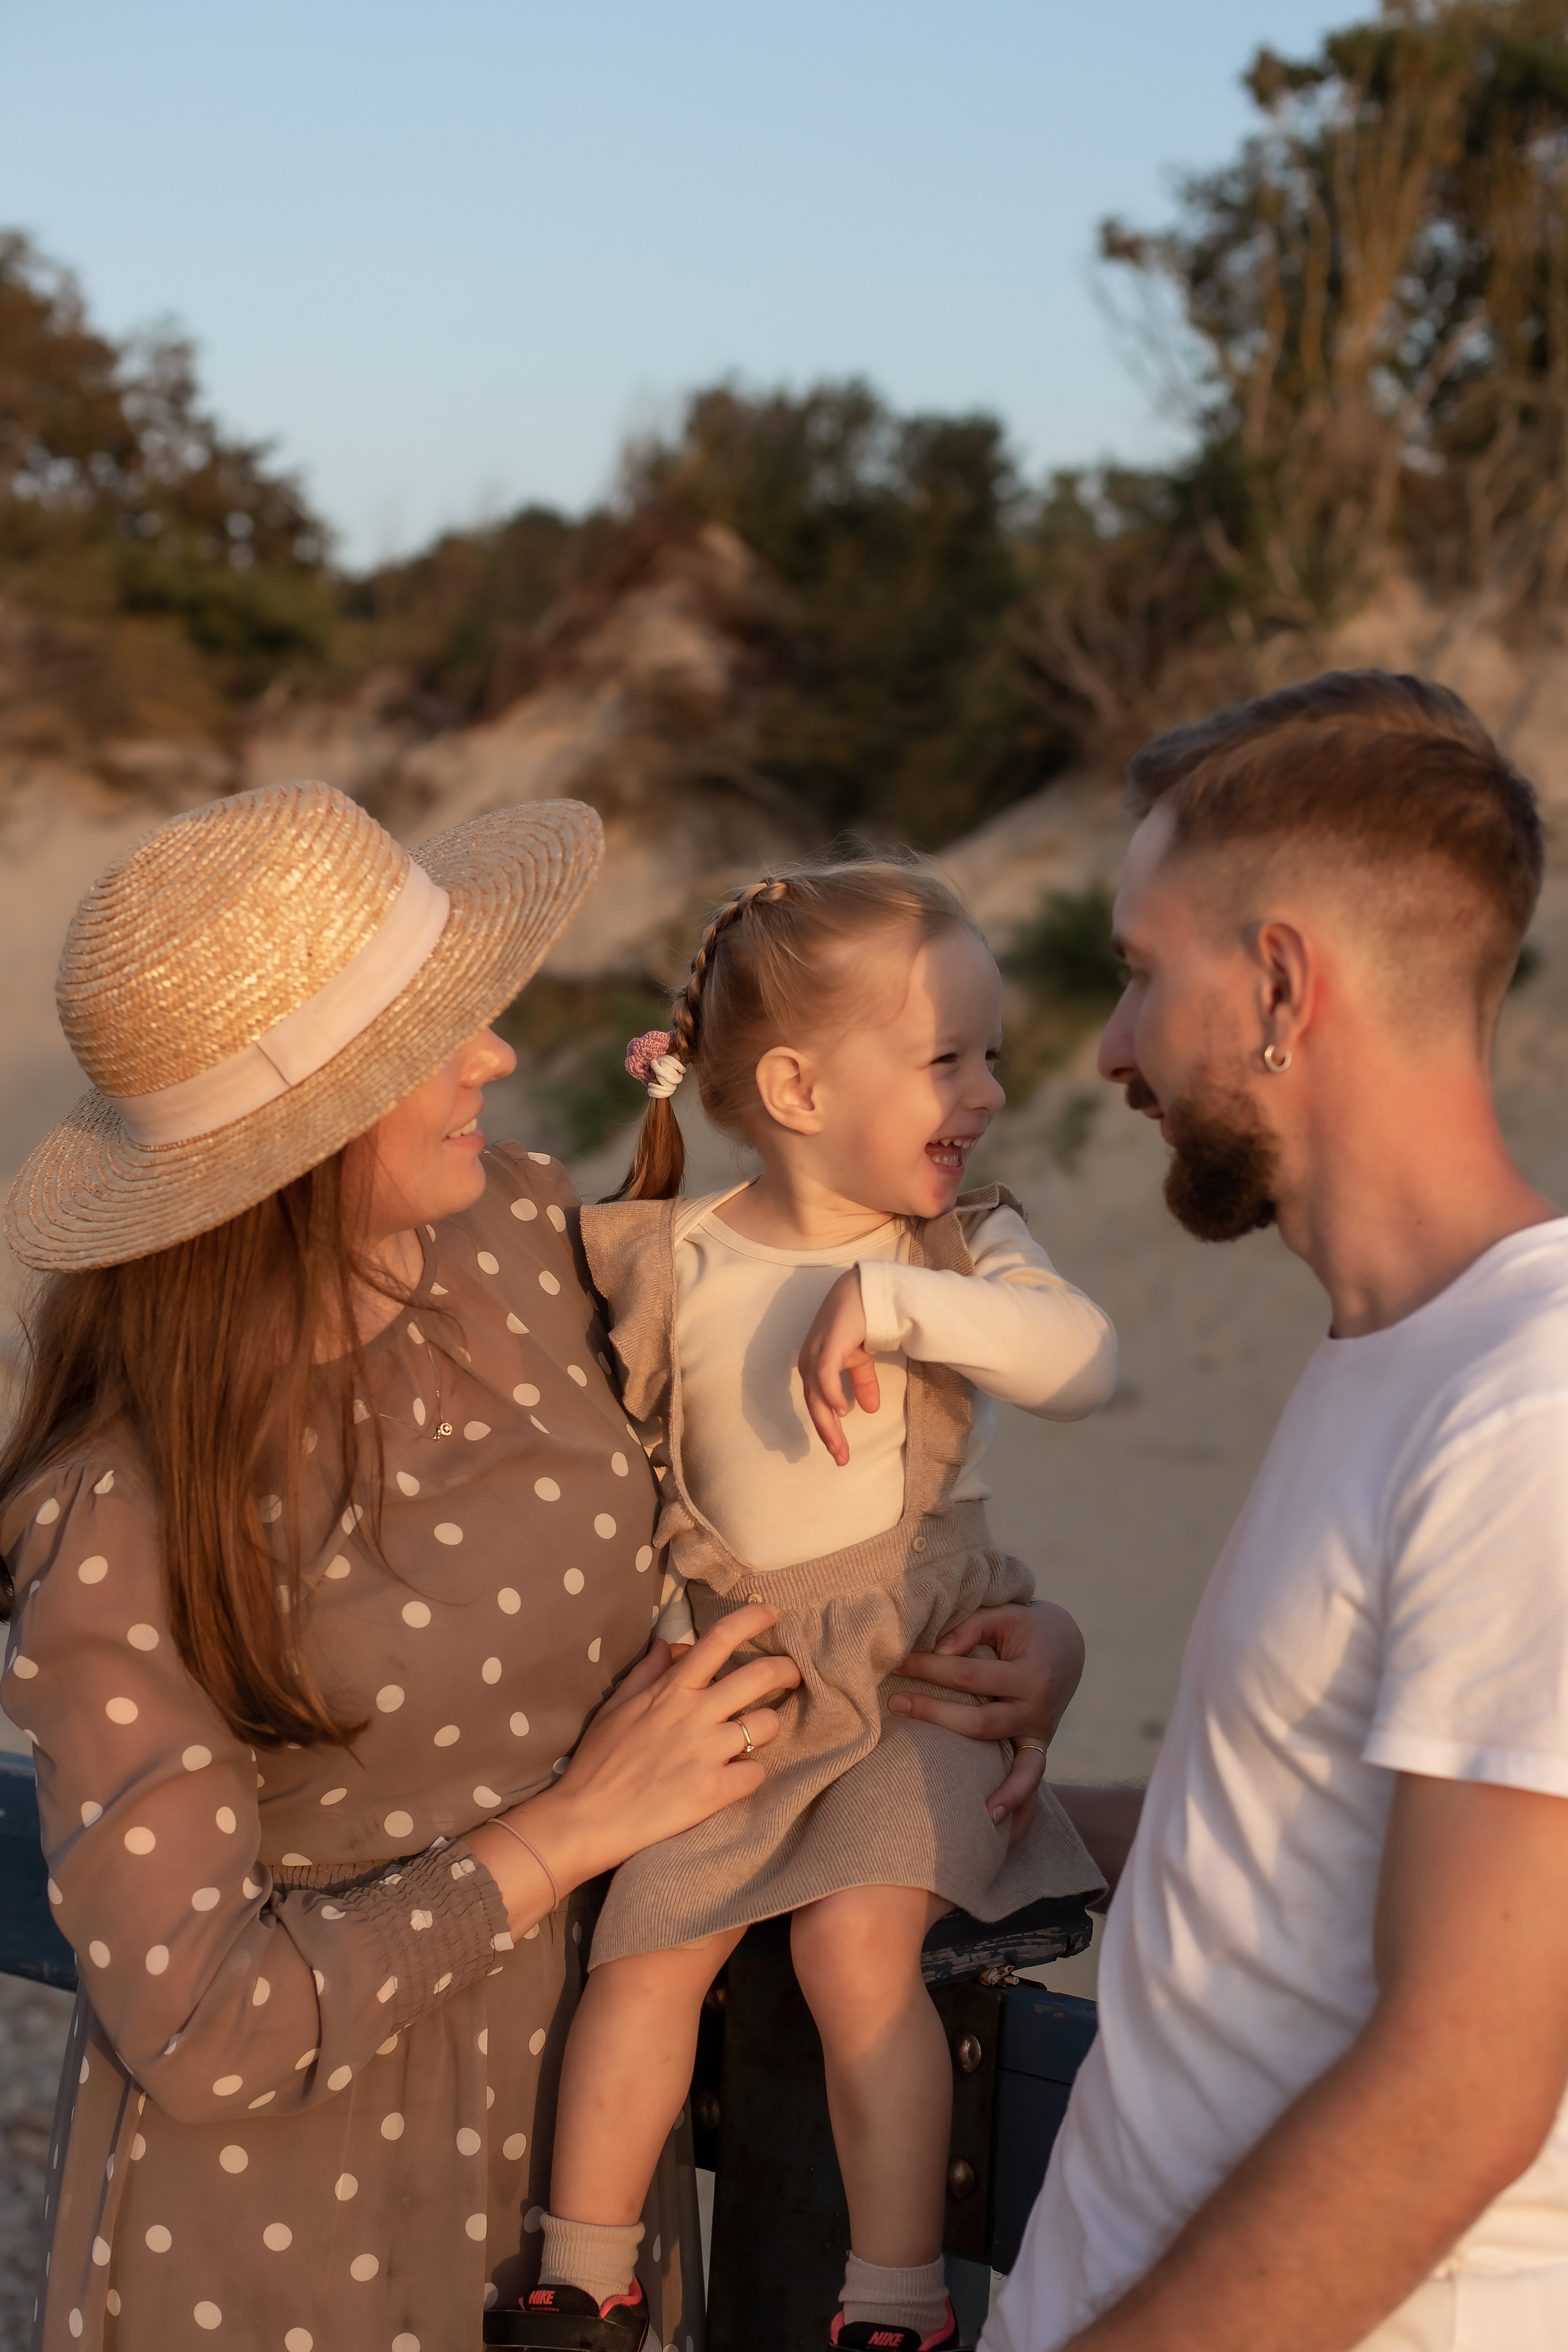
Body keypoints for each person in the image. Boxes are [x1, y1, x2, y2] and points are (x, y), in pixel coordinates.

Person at [0, 782, 1085, 2352]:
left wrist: (1012, 1630)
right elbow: (203, 2022)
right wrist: (576, 1831)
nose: (495, 1055)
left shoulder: (520, 1241)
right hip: (284, 2235)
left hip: (581, 2178)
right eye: (429, 1037)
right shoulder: (122, 1509)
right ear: (289, 1143)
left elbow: (774, 1507)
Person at [984, 670, 1568, 2352]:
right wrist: (980, 1802)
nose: (1107, 1050)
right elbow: (1305, 1851)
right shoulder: (1396, 1354)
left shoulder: (1526, 1405)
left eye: (1139, 974)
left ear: (1283, 988)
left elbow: (1462, 2089)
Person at [514, 861, 1118, 2352]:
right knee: (645, 1953)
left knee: (860, 1948)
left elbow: (1082, 1361)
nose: (981, 1090)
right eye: (942, 1058)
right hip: (735, 1673)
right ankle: (580, 2284)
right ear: (792, 1083)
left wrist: (895, 1306)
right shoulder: (669, 1255)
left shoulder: (958, 1245)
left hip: (910, 1668)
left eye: (988, 1055)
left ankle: (893, 2298)